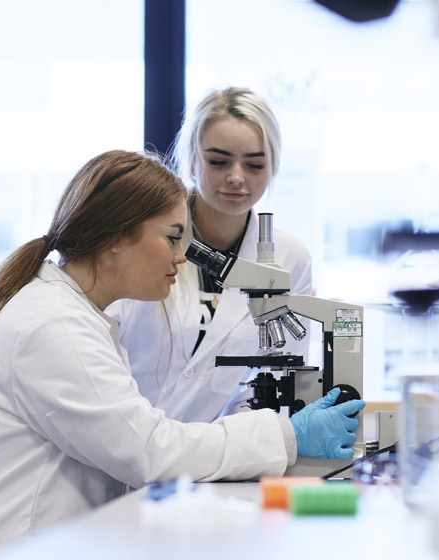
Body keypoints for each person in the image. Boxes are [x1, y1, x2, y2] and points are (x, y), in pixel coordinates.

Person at [0, 150, 365, 560]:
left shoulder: (72, 313)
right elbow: (149, 452)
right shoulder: (53, 328)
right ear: (116, 237)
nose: (181, 258)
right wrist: (286, 435)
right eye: (172, 238)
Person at [107, 87, 314, 423]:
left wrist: (234, 449)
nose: (236, 177)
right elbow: (104, 348)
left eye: (255, 164)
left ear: (273, 167)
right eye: (218, 161)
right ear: (191, 159)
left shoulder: (290, 258)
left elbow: (277, 377)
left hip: (213, 459)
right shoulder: (142, 237)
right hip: (119, 442)